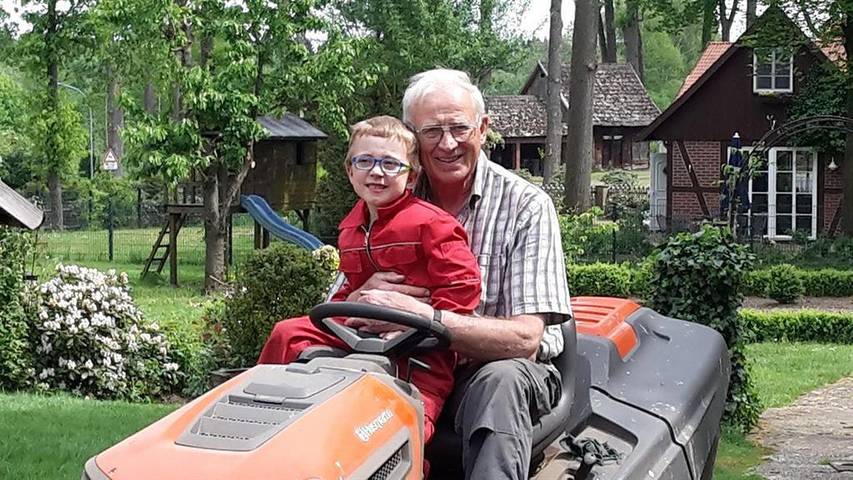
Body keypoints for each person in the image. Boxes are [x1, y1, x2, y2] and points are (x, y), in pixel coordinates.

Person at [341, 70, 572, 480]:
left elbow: (524, 339)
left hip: (492, 366)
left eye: (459, 128)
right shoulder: (387, 195)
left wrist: (420, 315)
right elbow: (339, 302)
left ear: (482, 129)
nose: (447, 144)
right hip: (403, 358)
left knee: (501, 381)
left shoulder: (526, 207)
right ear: (411, 139)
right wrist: (360, 293)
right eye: (431, 131)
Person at [258, 115, 482, 447]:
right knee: (287, 332)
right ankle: (264, 415)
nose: (376, 172)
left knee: (400, 428)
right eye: (365, 161)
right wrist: (352, 303)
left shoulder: (431, 223)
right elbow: (349, 291)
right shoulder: (351, 227)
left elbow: (463, 288)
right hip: (359, 336)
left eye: (391, 164)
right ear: (350, 170)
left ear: (411, 176)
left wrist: (419, 324)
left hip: (419, 350)